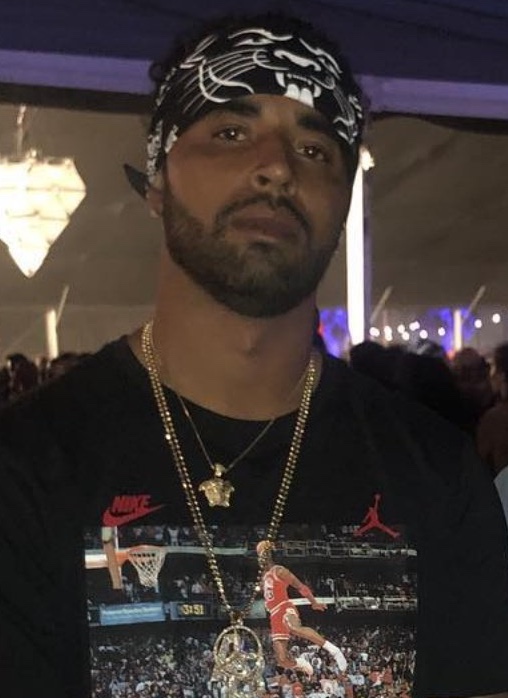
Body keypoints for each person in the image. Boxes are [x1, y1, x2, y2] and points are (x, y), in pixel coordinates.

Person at [1, 11, 508, 698]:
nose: (275, 167)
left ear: (341, 201)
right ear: (157, 178)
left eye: (315, 149)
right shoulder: (27, 470)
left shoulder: (438, 476)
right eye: (231, 133)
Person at [257, 540, 347, 677]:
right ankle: (300, 663)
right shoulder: (264, 577)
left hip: (284, 606)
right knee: (282, 660)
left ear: (268, 555)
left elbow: (300, 586)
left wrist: (313, 602)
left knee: (294, 627)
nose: (260, 558)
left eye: (262, 554)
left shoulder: (279, 571)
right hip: (273, 614)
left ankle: (334, 650)